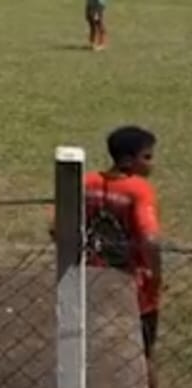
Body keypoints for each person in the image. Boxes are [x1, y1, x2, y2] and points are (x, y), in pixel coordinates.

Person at [82, 126, 162, 387]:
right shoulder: (139, 190)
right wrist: (156, 275)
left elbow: (57, 228)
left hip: (93, 277)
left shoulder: (88, 182)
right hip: (135, 283)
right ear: (128, 160)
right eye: (147, 157)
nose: (152, 164)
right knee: (143, 352)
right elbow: (149, 239)